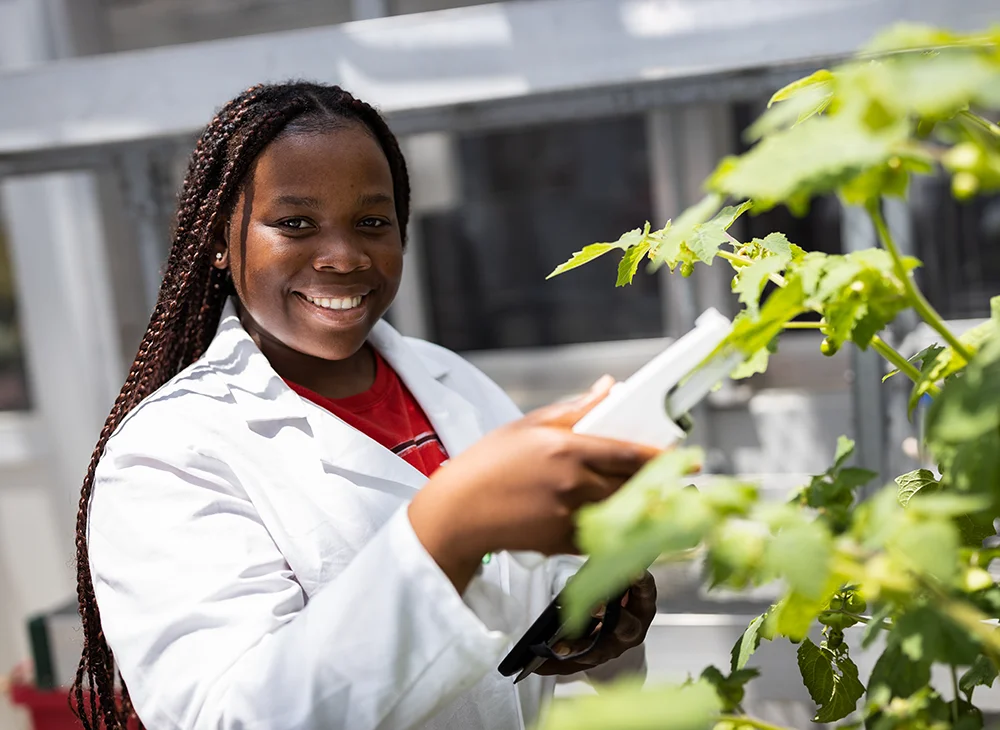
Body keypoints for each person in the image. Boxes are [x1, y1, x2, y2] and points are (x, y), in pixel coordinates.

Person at [73, 82, 659, 730]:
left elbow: (513, 630)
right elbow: (231, 717)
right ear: (219, 240)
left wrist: (588, 636)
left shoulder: (453, 383)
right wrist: (446, 530)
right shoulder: (168, 454)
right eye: (295, 223)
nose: (345, 257)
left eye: (372, 222)